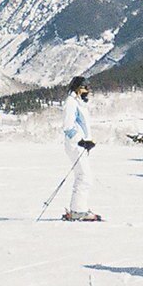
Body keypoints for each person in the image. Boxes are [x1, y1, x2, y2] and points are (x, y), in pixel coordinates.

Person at [59, 76, 101, 222]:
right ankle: (77, 211)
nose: (87, 92)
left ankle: (78, 208)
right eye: (85, 88)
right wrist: (81, 141)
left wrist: (87, 141)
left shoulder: (78, 103)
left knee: (83, 176)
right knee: (84, 177)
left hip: (79, 145)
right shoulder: (71, 103)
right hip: (75, 145)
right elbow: (68, 126)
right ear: (77, 89)